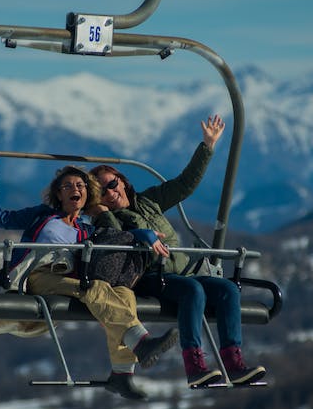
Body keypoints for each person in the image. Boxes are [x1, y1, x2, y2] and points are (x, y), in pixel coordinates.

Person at [0, 152, 178, 401]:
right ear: (59, 195)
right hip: (40, 274)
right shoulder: (43, 215)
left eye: (80, 185)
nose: (75, 189)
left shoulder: (87, 228)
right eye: (68, 186)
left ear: (87, 194)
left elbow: (115, 236)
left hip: (74, 278)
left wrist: (142, 233)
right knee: (93, 289)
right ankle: (141, 342)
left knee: (124, 294)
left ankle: (122, 374)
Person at [89, 114, 266, 387]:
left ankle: (234, 363)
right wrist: (99, 210)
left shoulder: (149, 201)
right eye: (102, 192)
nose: (110, 193)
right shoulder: (111, 219)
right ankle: (195, 366)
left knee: (228, 290)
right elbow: (115, 237)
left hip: (183, 272)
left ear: (122, 182)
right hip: (150, 278)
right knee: (192, 292)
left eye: (112, 184)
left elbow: (184, 185)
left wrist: (207, 146)